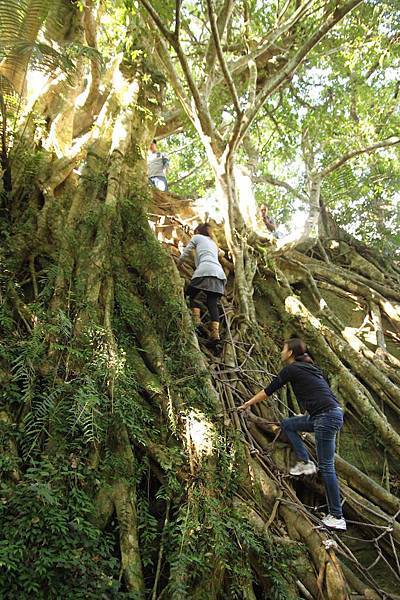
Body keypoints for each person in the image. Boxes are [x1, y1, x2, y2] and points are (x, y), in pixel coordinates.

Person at [238, 337, 346, 531]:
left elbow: (268, 390)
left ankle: (337, 516)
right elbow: (319, 393)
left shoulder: (292, 369)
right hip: (327, 414)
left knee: (327, 467)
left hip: (326, 418)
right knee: (288, 424)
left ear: (290, 353)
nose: (281, 352)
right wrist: (306, 415)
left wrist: (248, 403)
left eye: (283, 348)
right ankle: (305, 462)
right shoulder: (311, 369)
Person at [178, 223, 226, 342]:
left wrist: (179, 263)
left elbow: (186, 251)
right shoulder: (213, 243)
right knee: (212, 303)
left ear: (198, 231)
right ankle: (215, 333)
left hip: (204, 270)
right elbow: (221, 253)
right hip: (219, 275)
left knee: (190, 295)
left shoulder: (197, 237)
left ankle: (197, 321)